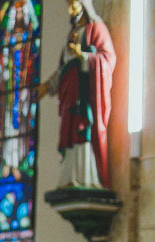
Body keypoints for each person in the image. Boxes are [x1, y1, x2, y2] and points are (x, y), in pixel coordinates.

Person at [37, 0, 115, 189]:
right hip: (69, 94)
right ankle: (69, 178)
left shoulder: (96, 29)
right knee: (70, 131)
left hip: (85, 93)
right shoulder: (70, 36)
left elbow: (108, 58)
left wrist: (83, 55)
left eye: (74, 4)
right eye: (68, 5)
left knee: (83, 128)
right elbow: (63, 68)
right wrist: (47, 86)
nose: (70, 10)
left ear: (84, 5)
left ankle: (88, 179)